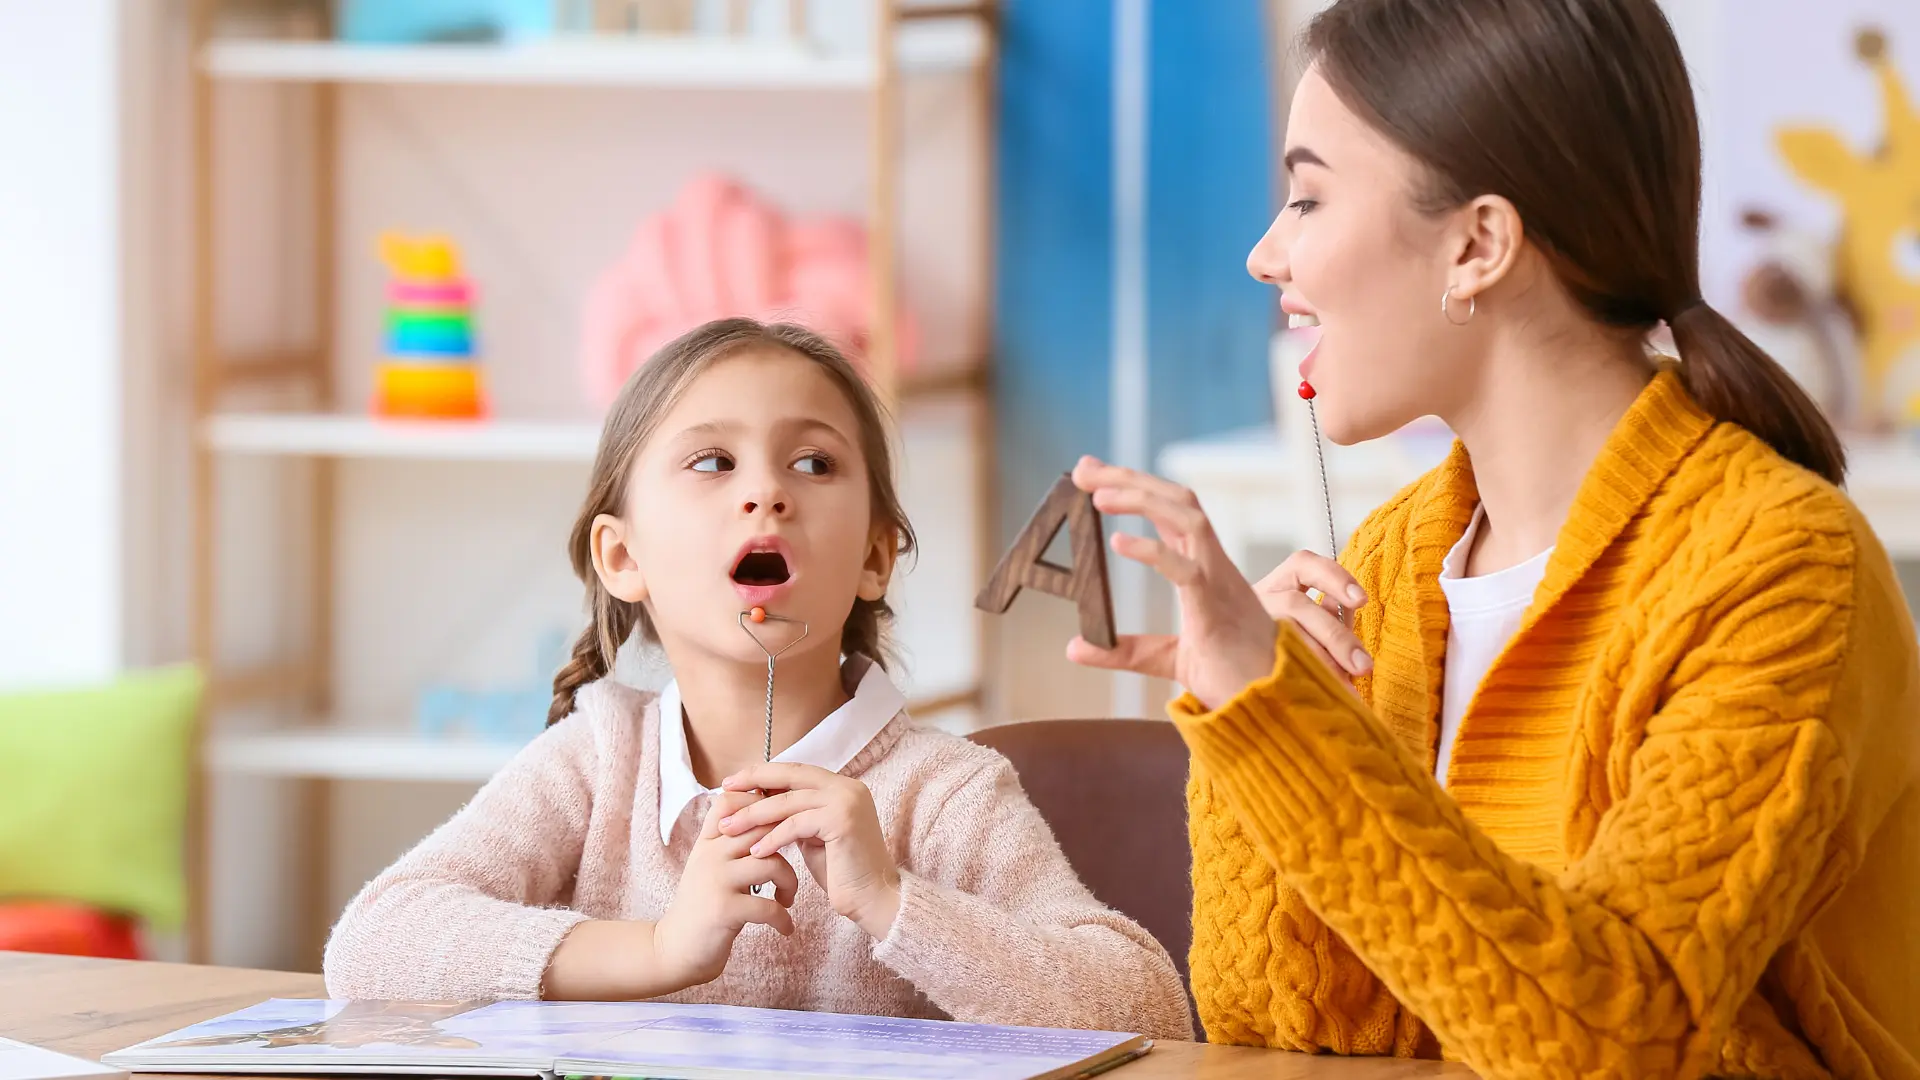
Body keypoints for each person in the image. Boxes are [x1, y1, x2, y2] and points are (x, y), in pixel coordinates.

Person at [1069, 0, 1920, 1075]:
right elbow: (1282, 1033)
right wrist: (1257, 732)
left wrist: (1287, 739)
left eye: (1307, 197)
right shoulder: (1378, 569)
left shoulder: (1782, 570)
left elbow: (1616, 1039)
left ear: (1476, 244)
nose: (1264, 254)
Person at [325, 318, 1192, 1042]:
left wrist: (894, 904)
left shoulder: (944, 790)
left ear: (875, 556)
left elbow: (1149, 1006)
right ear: (622, 556)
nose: (767, 493)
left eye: (813, 464)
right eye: (711, 463)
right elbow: (372, 943)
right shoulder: (596, 761)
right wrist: (660, 949)